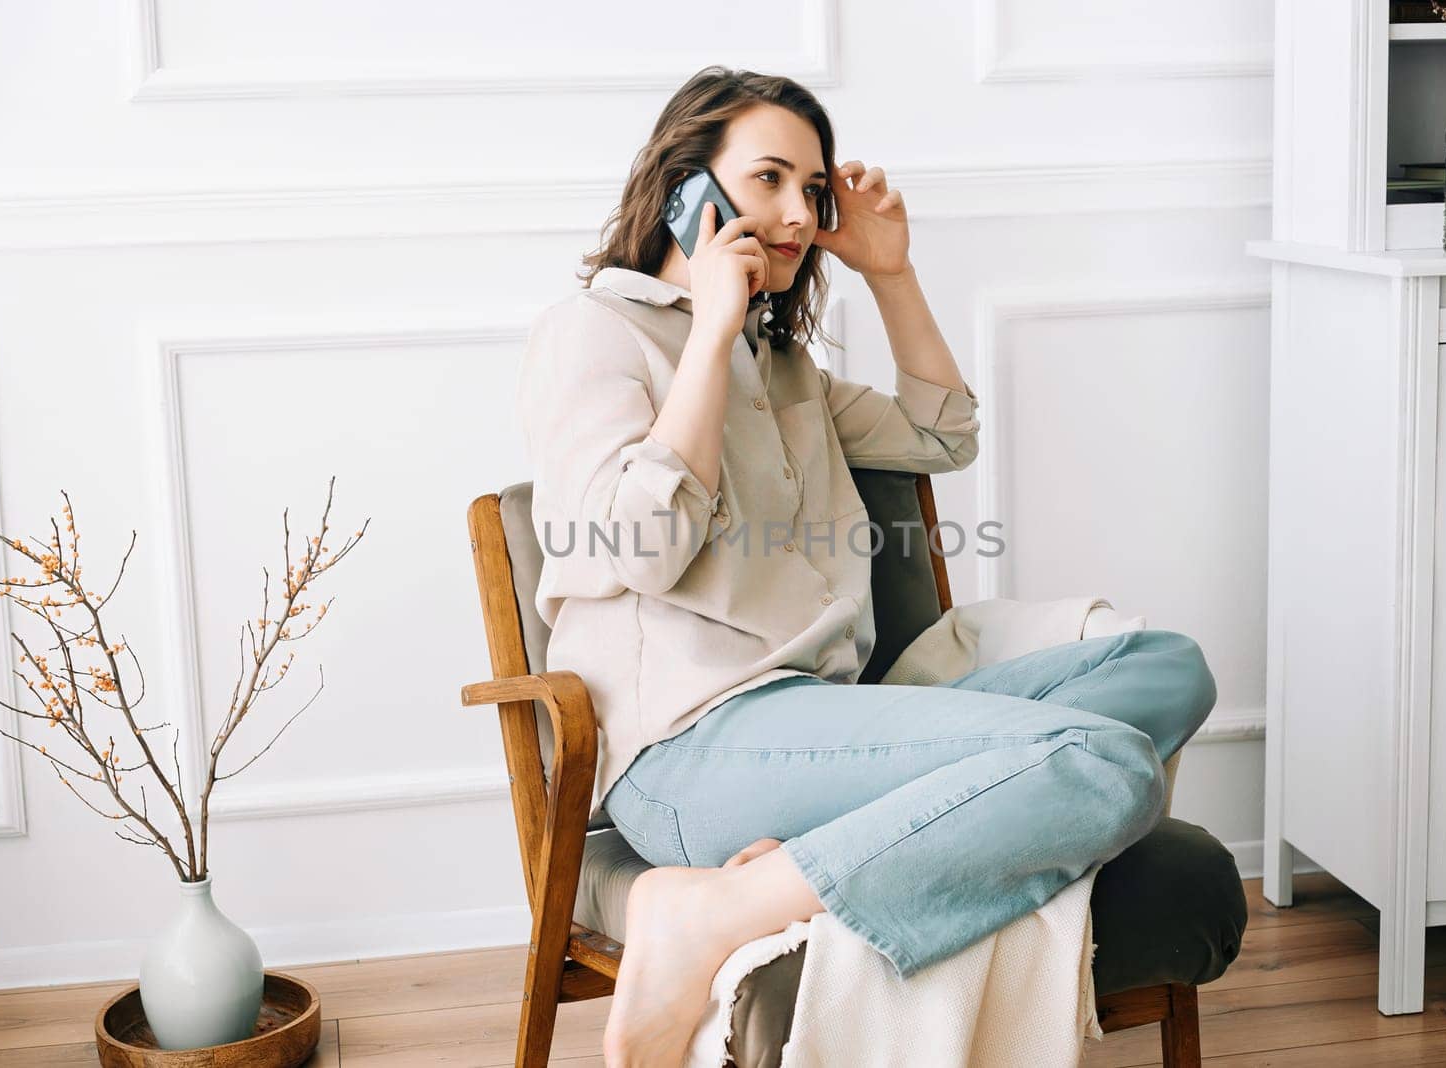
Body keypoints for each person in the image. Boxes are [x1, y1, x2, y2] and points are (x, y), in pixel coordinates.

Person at [517, 65, 1217, 1068]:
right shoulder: (593, 331)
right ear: (688, 187)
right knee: (1103, 763)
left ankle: (798, 869)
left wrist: (890, 271)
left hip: (824, 721)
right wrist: (710, 327)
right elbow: (641, 549)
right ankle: (711, 912)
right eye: (767, 180)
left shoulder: (786, 368)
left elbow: (944, 435)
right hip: (693, 752)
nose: (799, 214)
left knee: (1168, 665)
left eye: (811, 189)